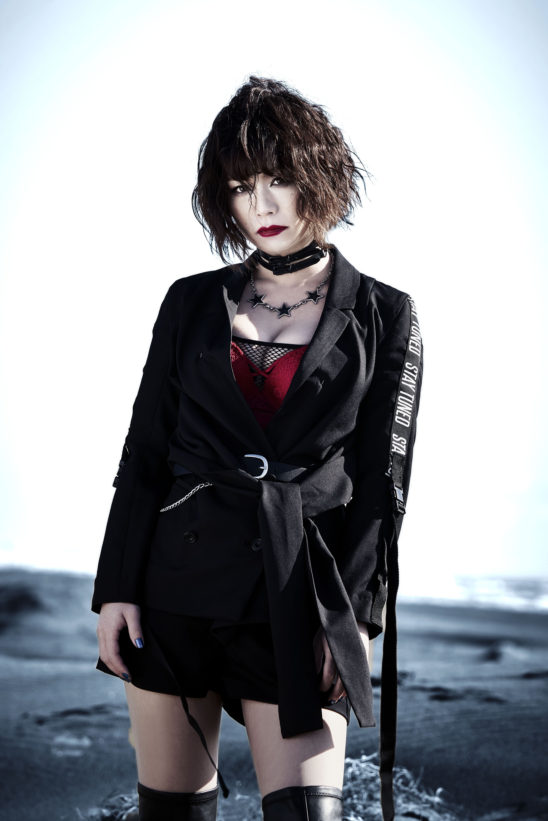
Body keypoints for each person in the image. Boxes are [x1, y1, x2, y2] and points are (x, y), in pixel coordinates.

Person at [92, 76, 423, 821]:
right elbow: (144, 453)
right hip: (174, 588)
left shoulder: (386, 314)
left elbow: (383, 485)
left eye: (279, 179)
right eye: (242, 188)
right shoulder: (188, 301)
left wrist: (356, 620)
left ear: (320, 176)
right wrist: (115, 588)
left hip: (300, 596)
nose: (262, 205)